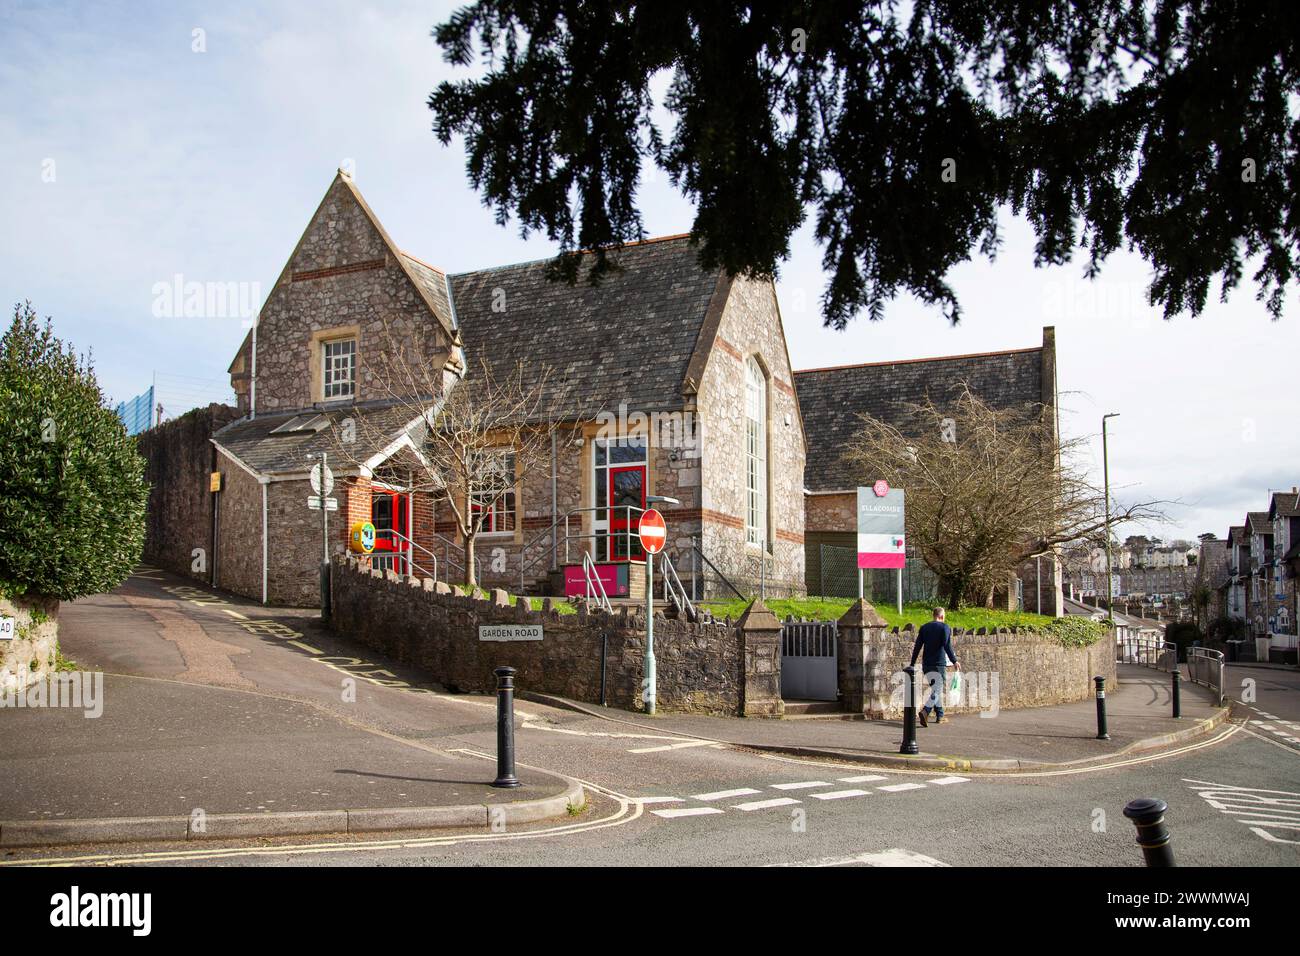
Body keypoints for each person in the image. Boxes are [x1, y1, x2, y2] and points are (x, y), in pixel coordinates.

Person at [909, 607, 960, 726]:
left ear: (934, 615)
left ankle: (940, 716)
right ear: (941, 616)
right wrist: (954, 661)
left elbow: (917, 646)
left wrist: (912, 663)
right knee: (937, 690)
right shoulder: (945, 627)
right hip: (938, 665)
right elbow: (947, 646)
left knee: (935, 690)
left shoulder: (924, 628)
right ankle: (926, 710)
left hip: (926, 665)